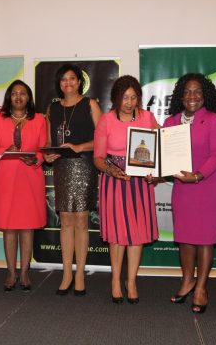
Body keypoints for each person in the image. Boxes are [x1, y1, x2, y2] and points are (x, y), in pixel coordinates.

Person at [93, 75, 159, 304]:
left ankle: (131, 281)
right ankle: (115, 280)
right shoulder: (106, 120)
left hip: (140, 182)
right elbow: (98, 158)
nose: (130, 102)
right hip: (115, 180)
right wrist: (111, 171)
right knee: (118, 235)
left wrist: (156, 171)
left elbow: (161, 149)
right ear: (116, 99)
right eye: (125, 97)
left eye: (134, 97)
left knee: (137, 234)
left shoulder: (148, 118)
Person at [164, 73, 216, 313]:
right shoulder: (170, 123)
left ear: (205, 95)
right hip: (182, 187)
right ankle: (187, 280)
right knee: (185, 237)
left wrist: (199, 175)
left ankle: (201, 287)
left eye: (197, 92)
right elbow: (163, 155)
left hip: (206, 185)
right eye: (187, 92)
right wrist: (155, 171)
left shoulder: (214, 120)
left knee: (205, 238)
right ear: (181, 96)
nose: (192, 97)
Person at [43, 64, 102, 296]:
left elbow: (101, 139)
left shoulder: (91, 104)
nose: (68, 83)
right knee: (65, 220)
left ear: (79, 82)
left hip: (85, 166)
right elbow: (50, 141)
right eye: (63, 80)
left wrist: (79, 146)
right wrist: (49, 153)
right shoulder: (53, 108)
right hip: (62, 167)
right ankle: (67, 272)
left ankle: (80, 273)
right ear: (59, 84)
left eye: (72, 79)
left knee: (81, 221)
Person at [0, 80, 47, 292]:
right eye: (14, 93)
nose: (19, 97)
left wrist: (37, 159)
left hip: (30, 177)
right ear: (9, 97)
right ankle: (11, 271)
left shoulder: (39, 119)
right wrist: (6, 150)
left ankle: (25, 272)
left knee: (27, 226)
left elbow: (43, 150)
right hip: (6, 178)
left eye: (23, 93)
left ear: (29, 97)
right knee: (10, 227)